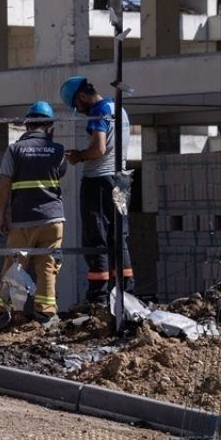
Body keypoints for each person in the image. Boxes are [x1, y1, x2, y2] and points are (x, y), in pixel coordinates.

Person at [0, 101, 67, 328]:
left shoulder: (14, 150)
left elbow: (4, 186)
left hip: (23, 220)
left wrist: (2, 215)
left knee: (15, 265)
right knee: (48, 266)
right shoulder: (58, 150)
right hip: (53, 220)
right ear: (50, 126)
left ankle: (0, 313)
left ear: (26, 126)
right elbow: (60, 171)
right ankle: (46, 314)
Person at [60, 76, 133, 305]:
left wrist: (78, 156)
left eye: (77, 105)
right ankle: (126, 294)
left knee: (96, 237)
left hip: (99, 181)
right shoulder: (117, 108)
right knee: (118, 236)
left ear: (82, 96)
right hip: (121, 182)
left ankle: (98, 297)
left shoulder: (99, 111)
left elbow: (99, 148)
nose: (79, 110)